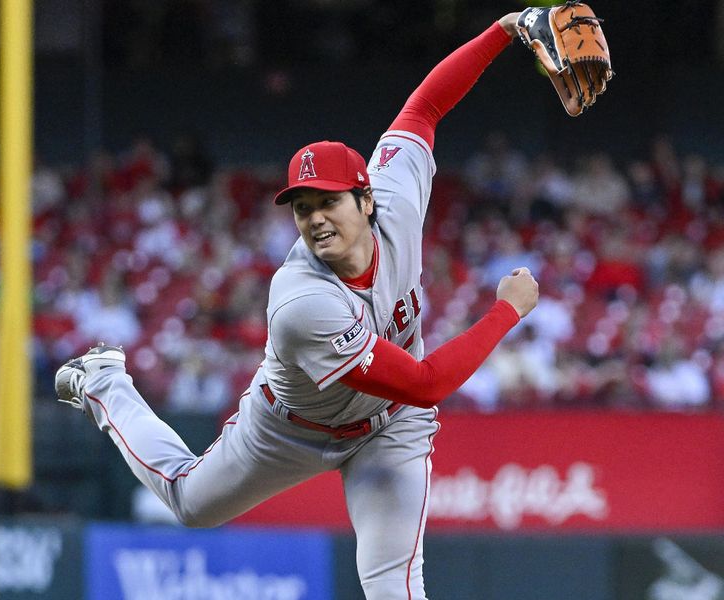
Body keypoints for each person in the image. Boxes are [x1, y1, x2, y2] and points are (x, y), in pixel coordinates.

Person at [55, 12, 538, 599]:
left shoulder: (397, 196)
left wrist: (506, 29)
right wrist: (505, 311)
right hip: (290, 429)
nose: (313, 218)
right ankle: (107, 384)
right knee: (190, 504)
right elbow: (425, 382)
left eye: (327, 202)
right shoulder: (302, 299)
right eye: (301, 206)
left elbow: (425, 107)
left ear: (365, 199)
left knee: (393, 586)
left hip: (388, 429)